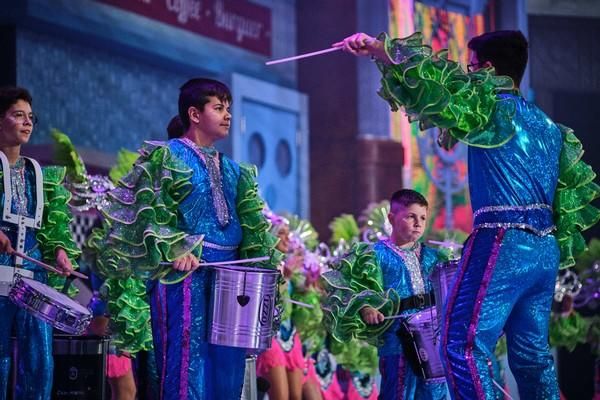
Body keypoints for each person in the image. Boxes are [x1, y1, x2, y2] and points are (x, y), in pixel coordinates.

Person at [335, 30, 600, 399]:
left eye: (471, 67)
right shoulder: (548, 127)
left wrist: (380, 49)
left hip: (502, 240)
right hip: (544, 249)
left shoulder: (490, 105)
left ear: (488, 70)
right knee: (533, 358)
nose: (466, 74)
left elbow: (433, 83)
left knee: (460, 345)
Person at [90, 78, 281, 400]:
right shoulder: (167, 156)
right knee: (186, 364)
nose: (228, 115)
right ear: (194, 114)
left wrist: (266, 261)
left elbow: (251, 227)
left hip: (231, 276)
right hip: (184, 274)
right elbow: (147, 213)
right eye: (218, 108)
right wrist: (175, 247)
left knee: (228, 366)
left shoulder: (234, 170)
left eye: (228, 109)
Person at [322, 189, 446, 399]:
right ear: (391, 218)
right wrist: (365, 307)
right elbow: (342, 284)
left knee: (435, 393)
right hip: (396, 341)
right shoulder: (374, 255)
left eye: (423, 218)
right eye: (410, 216)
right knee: (397, 392)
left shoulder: (434, 257)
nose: (418, 223)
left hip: (433, 339)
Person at [0, 86, 79, 398]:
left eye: (30, 117)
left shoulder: (38, 173)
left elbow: (53, 223)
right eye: (18, 115)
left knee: (40, 361)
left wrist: (59, 251)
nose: (27, 122)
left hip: (33, 277)